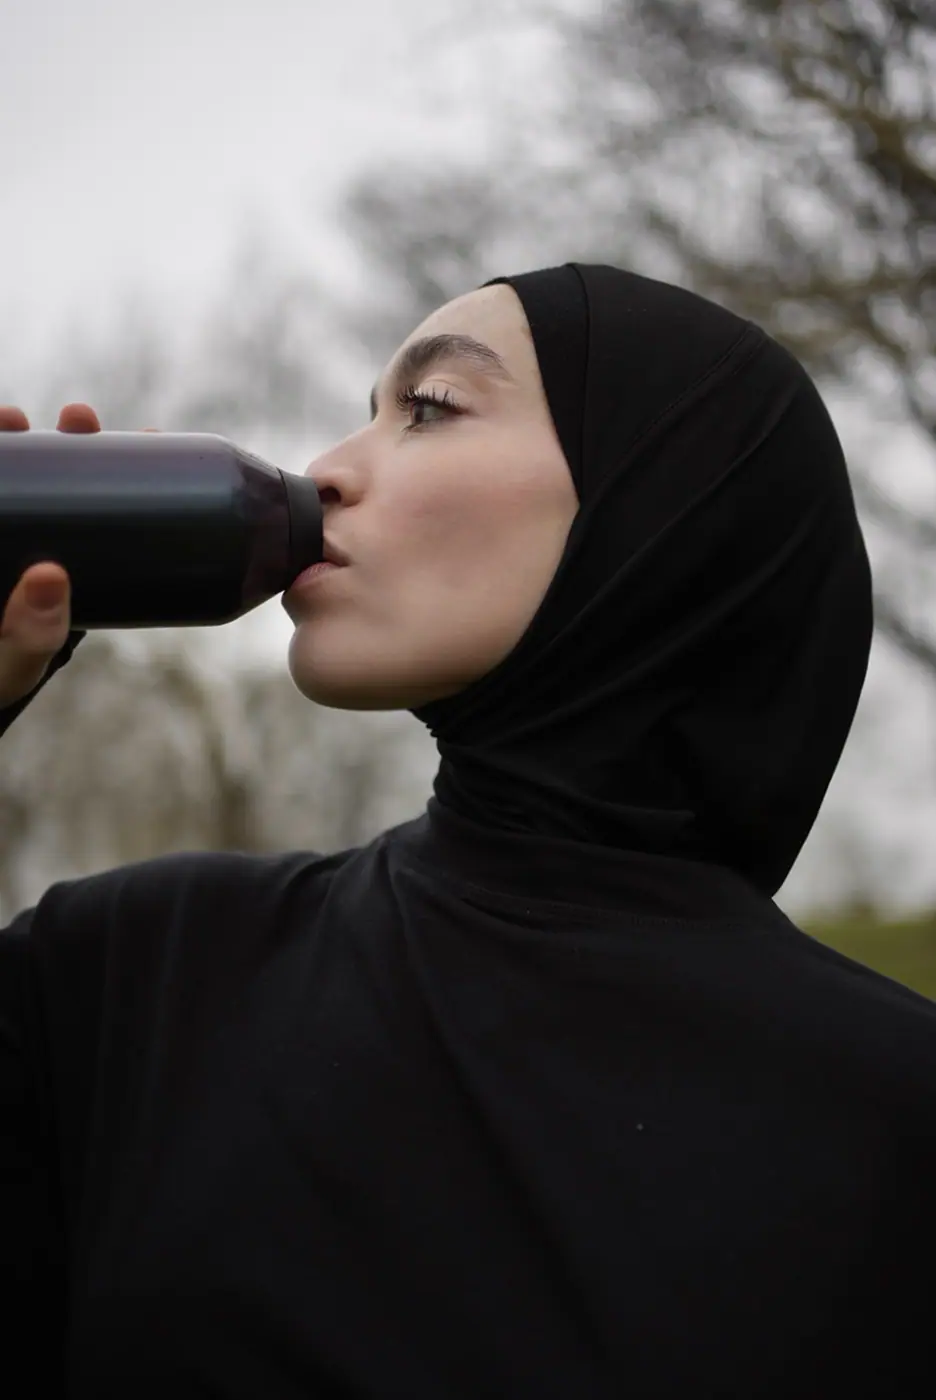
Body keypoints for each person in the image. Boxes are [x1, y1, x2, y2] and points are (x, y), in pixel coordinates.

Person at [1, 263, 934, 1399]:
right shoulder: (133, 972)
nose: (331, 466)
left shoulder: (890, 1119)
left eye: (429, 407)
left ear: (660, 504)